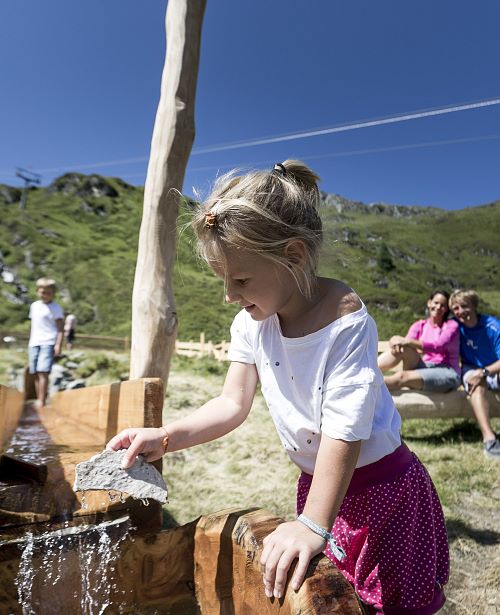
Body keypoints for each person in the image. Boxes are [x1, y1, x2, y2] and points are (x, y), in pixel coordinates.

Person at [107, 161, 449, 614]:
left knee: (392, 604)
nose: (229, 294)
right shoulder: (252, 322)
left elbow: (343, 431)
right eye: (222, 280)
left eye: (241, 279)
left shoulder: (346, 324)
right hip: (320, 486)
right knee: (331, 599)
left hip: (382, 491)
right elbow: (231, 402)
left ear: (294, 255)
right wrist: (167, 436)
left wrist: (312, 523)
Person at [449, 289, 500, 459]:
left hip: (492, 368)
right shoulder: (456, 328)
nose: (460, 312)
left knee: (481, 378)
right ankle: (489, 439)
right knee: (476, 384)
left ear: (474, 306)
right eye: (456, 308)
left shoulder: (492, 325)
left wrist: (484, 372)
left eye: (464, 306)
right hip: (470, 368)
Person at [377, 290, 461, 392]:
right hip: (426, 366)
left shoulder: (451, 326)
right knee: (403, 348)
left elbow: (438, 346)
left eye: (443, 305)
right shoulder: (419, 325)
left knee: (402, 377)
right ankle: (366, 371)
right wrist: (395, 340)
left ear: (447, 309)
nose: (438, 307)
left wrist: (408, 342)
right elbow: (403, 344)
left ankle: (368, 384)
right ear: (429, 303)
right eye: (436, 303)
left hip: (447, 371)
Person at [28, 277, 64, 408]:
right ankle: (39, 397)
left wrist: (58, 345)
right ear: (38, 291)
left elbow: (60, 328)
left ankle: (42, 401)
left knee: (43, 371)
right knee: (36, 372)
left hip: (48, 341)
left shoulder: (56, 308)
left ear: (53, 293)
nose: (45, 295)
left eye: (48, 292)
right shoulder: (34, 306)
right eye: (43, 292)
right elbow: (34, 325)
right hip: (34, 342)